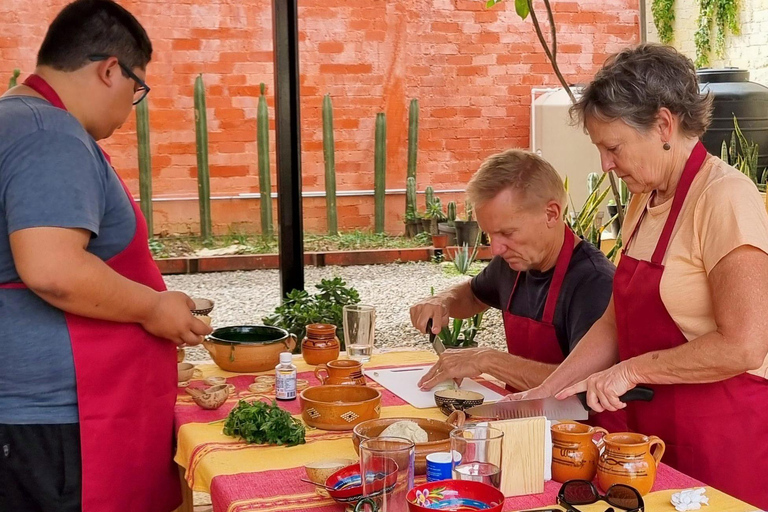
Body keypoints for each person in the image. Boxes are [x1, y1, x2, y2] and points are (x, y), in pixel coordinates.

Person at [513, 44, 768, 508]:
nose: (605, 165)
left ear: (664, 125)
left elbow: (745, 344)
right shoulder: (642, 201)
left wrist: (631, 370)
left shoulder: (725, 197)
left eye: (613, 147)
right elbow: (614, 321)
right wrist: (546, 393)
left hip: (719, 440)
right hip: (647, 437)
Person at [0, 1, 211, 511]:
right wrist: (155, 308)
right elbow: (54, 270)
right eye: (137, 90)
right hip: (53, 421)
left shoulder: (14, 120)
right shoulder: (50, 134)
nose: (130, 107)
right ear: (110, 69)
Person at [410, 150, 624, 428]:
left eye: (507, 233)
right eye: (490, 235)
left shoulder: (593, 282)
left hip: (577, 436)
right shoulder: (513, 262)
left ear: (551, 213)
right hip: (520, 422)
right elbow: (473, 295)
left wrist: (489, 360)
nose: (496, 248)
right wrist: (443, 301)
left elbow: (579, 383)